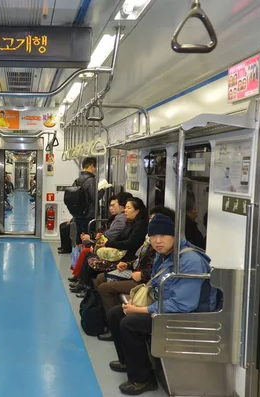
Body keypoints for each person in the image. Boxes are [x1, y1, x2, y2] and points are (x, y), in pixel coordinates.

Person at [107, 214, 216, 395]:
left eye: (163, 235)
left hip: (188, 315)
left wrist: (140, 310)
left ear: (174, 235)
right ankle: (128, 361)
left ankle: (144, 379)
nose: (158, 241)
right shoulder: (163, 255)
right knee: (115, 314)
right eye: (153, 236)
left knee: (130, 323)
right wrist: (136, 299)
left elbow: (182, 305)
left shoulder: (190, 262)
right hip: (167, 306)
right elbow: (156, 284)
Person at [94, 206, 175, 341]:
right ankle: (110, 322)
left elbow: (152, 275)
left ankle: (115, 327)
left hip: (142, 280)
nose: (158, 239)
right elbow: (142, 261)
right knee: (101, 278)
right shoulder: (151, 242)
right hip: (139, 275)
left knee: (104, 287)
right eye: (151, 219)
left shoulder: (164, 250)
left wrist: (142, 275)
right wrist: (129, 264)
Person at [68, 157, 98, 243]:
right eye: (95, 168)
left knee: (79, 236)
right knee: (87, 238)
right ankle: (86, 255)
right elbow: (95, 198)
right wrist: (103, 190)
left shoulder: (77, 180)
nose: (95, 170)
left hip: (78, 214)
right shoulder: (91, 180)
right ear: (91, 166)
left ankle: (78, 254)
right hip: (88, 215)